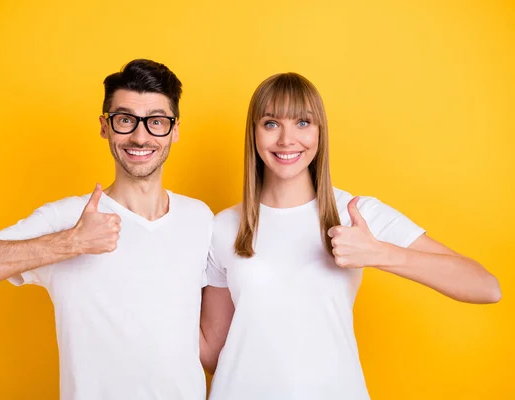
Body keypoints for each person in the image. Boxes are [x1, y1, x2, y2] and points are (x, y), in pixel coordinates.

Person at [199, 72, 501, 400]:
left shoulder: (357, 214)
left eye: (303, 123)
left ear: (320, 132)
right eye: (271, 123)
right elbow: (214, 354)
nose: (287, 140)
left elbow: (485, 286)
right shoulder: (224, 226)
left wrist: (380, 253)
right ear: (254, 133)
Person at [0, 59, 213, 400]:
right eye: (126, 120)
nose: (141, 136)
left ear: (174, 130)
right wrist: (72, 242)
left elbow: (200, 340)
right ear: (105, 126)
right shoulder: (68, 217)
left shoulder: (199, 218)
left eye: (156, 121)